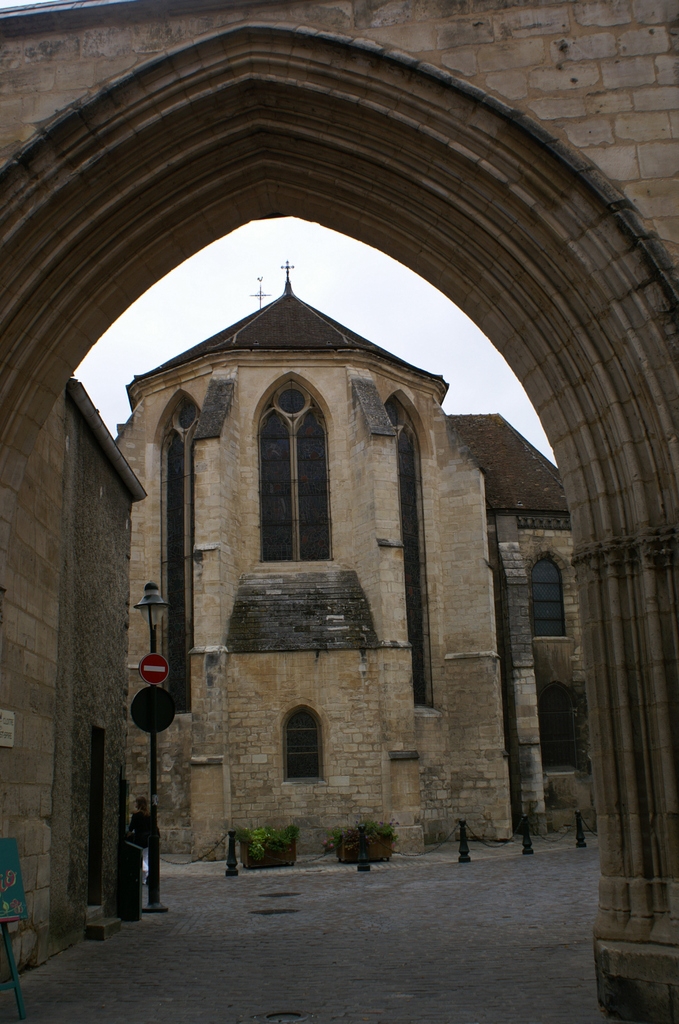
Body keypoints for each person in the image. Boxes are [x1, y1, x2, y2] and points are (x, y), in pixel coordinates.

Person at [127, 796, 151, 884]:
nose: (135, 804)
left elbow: (131, 828)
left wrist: (128, 834)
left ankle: (146, 872)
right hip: (147, 839)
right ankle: (144, 879)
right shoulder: (148, 815)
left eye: (136, 802)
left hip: (139, 839)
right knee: (145, 857)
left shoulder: (136, 815)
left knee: (140, 858)